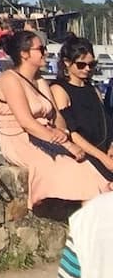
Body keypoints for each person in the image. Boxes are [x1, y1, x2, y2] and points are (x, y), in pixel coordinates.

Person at [0, 30, 113, 208]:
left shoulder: (39, 79)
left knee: (87, 166)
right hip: (21, 140)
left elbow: (55, 115)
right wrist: (66, 143)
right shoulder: (10, 79)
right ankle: (88, 226)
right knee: (78, 171)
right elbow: (27, 122)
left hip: (47, 135)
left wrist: (63, 136)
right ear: (24, 54)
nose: (45, 53)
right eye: (40, 49)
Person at [51, 37, 113, 180]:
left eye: (91, 64)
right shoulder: (60, 90)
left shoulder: (93, 89)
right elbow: (72, 133)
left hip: (104, 150)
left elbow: (106, 122)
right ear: (67, 62)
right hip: (84, 154)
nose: (87, 69)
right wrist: (103, 158)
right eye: (81, 65)